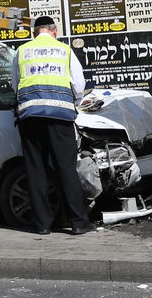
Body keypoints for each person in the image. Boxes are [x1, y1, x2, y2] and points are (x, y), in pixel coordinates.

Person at [12, 15, 95, 235]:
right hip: (60, 116)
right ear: (54, 31)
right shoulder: (65, 50)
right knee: (66, 168)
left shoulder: (22, 51)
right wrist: (73, 103)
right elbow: (78, 85)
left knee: (35, 169)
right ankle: (78, 222)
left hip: (30, 117)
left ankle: (42, 225)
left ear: (34, 33)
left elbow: (15, 83)